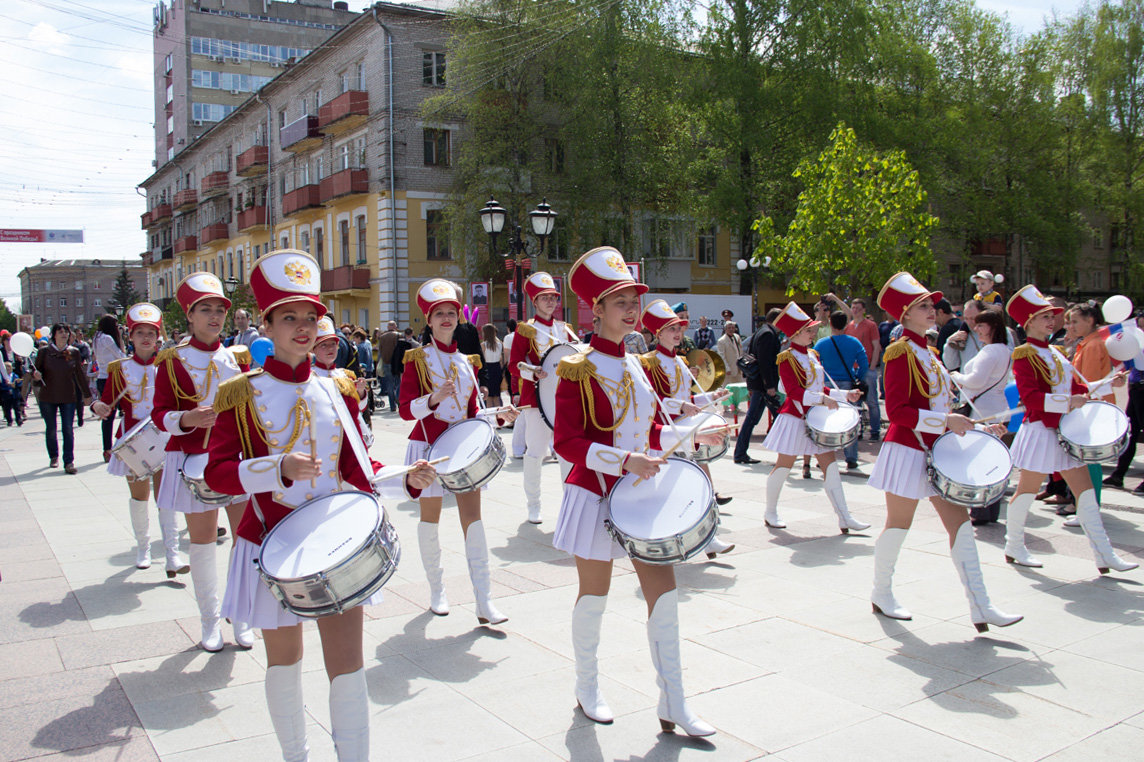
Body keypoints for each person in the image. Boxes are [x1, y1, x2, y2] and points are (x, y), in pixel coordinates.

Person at [204, 250, 436, 762]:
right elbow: (214, 473)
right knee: (284, 664)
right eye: (290, 318)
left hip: (335, 545)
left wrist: (406, 479)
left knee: (348, 665)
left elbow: (358, 470)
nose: (304, 328)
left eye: (311, 317)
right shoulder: (238, 395)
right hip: (271, 543)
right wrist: (274, 468)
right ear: (265, 322)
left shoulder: (338, 388)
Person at [553, 247, 718, 736]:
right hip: (595, 494)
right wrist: (624, 461)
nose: (629, 308)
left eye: (632, 299)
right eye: (618, 300)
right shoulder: (575, 368)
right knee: (595, 597)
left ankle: (675, 703)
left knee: (665, 599)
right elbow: (568, 443)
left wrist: (690, 435)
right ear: (596, 309)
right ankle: (587, 687)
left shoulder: (639, 365)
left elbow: (646, 435)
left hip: (642, 495)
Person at [868, 272, 1022, 632]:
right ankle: (881, 592)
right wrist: (945, 421)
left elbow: (946, 409)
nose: (931, 309)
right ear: (904, 314)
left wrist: (979, 426)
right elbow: (897, 412)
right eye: (922, 306)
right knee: (898, 526)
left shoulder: (930, 352)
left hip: (938, 452)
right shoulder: (900, 351)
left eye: (931, 305)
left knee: (962, 526)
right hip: (907, 450)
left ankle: (981, 606)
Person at [400, 279, 518, 621]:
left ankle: (484, 600)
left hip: (463, 448)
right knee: (430, 520)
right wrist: (433, 398)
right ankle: (437, 591)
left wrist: (499, 415)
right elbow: (406, 408)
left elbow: (472, 413)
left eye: (451, 312)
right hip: (428, 447)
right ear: (429, 320)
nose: (447, 318)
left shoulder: (468, 362)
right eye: (440, 314)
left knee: (475, 522)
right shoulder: (417, 359)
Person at [151, 272, 253, 652]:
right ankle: (210, 621)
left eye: (220, 310)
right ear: (189, 317)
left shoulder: (236, 358)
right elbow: (159, 413)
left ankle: (241, 614)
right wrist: (187, 419)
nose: (214, 317)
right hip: (192, 458)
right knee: (204, 543)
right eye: (205, 310)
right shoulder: (173, 359)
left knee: (245, 540)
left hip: (234, 458)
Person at [1002, 286, 1136, 575]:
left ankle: (1104, 554)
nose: (1052, 321)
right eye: (1043, 317)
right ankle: (1013, 544)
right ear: (1027, 323)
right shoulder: (1024, 354)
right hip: (1040, 430)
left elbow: (1078, 389)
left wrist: (1106, 385)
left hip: (1064, 431)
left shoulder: (1056, 352)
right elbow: (1031, 398)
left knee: (1085, 493)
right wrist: (1067, 401)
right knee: (1025, 491)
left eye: (1052, 316)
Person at [92, 303, 188, 576]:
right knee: (139, 497)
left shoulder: (169, 367)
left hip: (165, 439)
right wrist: (98, 407)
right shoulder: (119, 369)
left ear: (158, 336)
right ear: (130, 336)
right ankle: (143, 548)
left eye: (151, 332)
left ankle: (172, 555)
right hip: (133, 441)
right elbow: (106, 402)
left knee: (166, 497)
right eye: (140, 332)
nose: (146, 337)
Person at [760, 303, 869, 532]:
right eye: (808, 330)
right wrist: (821, 399)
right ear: (795, 334)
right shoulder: (786, 358)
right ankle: (770, 511)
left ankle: (844, 516)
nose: (813, 333)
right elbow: (793, 392)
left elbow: (822, 388)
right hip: (795, 419)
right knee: (783, 466)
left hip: (817, 420)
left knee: (830, 466)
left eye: (812, 329)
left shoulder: (813, 354)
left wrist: (845, 395)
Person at [638, 299, 736, 554]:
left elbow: (689, 399)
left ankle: (707, 537)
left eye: (679, 328)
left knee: (698, 485)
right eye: (672, 329)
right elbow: (654, 401)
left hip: (688, 432)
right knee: (671, 492)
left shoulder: (681, 361)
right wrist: (680, 407)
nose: (678, 333)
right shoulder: (648, 362)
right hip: (667, 435)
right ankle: (666, 540)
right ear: (658, 333)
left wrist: (710, 397)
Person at [509, 273, 580, 524]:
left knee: (567, 453)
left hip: (564, 399)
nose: (550, 302)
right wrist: (533, 372)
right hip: (537, 398)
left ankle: (569, 503)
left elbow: (578, 355)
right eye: (545, 298)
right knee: (536, 451)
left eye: (553, 297)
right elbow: (514, 365)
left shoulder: (565, 329)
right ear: (535, 302)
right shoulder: (526, 329)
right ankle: (533, 505)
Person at [949, 309, 1012, 524]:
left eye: (981, 325)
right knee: (994, 461)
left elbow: (976, 380)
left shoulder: (990, 351)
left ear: (993, 327)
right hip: (998, 407)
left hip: (983, 411)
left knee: (980, 461)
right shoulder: (1004, 349)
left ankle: (979, 509)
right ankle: (989, 509)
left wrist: (956, 376)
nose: (976, 330)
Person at [32, 324, 91, 474]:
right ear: (54, 335)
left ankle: (69, 461)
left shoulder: (74, 352)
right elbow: (36, 373)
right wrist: (36, 376)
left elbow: (79, 374)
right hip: (48, 397)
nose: (64, 334)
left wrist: (87, 394)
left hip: (68, 396)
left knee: (68, 429)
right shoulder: (44, 352)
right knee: (51, 428)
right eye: (60, 331)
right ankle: (53, 456)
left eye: (66, 331)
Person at [814, 311, 868, 470]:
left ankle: (824, 455)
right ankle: (851, 457)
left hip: (827, 385)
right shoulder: (854, 342)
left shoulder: (822, 344)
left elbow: (815, 365)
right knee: (849, 420)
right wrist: (856, 377)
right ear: (846, 324)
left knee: (825, 421)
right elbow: (864, 364)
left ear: (830, 323)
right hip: (847, 384)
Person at [313, 318, 374, 448]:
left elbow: (360, 409)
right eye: (324, 345)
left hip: (348, 435)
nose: (330, 349)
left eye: (333, 344)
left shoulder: (346, 375)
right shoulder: (309, 377)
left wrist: (361, 392)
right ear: (314, 349)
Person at [733, 307, 782, 464]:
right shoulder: (768, 334)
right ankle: (740, 453)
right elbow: (765, 362)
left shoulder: (762, 332)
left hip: (759, 384)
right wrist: (769, 385)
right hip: (763, 385)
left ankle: (740, 452)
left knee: (759, 418)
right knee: (777, 418)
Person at [1106, 313, 1144, 492]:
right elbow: (1130, 365)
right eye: (1140, 327)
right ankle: (1118, 475)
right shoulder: (1134, 344)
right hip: (1135, 389)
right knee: (1129, 432)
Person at [845, 297, 882, 440]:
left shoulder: (871, 325)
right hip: (853, 369)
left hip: (866, 368)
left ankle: (875, 430)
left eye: (858, 308)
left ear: (864, 310)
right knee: (855, 401)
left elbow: (876, 346)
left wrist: (872, 367)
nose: (855, 311)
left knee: (872, 401)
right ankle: (858, 430)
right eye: (853, 308)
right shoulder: (849, 326)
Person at [93, 315, 127, 462]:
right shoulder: (107, 338)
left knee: (108, 416)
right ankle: (114, 447)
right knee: (116, 412)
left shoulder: (97, 337)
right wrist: (120, 339)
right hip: (112, 377)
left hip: (102, 376)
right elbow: (120, 355)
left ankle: (107, 448)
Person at [377, 320, 401, 411]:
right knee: (398, 383)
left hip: (386, 363)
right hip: (397, 363)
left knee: (389, 384)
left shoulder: (382, 337)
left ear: (387, 327)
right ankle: (398, 400)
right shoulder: (398, 335)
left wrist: (380, 362)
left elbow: (380, 351)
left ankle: (392, 406)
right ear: (395, 327)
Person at [352, 329, 375, 426]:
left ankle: (368, 407)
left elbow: (360, 360)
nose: (354, 340)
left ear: (358, 337)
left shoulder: (360, 347)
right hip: (370, 368)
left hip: (364, 369)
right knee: (369, 389)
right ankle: (371, 406)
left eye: (354, 337)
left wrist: (362, 369)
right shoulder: (368, 343)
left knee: (365, 390)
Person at [479, 323, 503, 406]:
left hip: (487, 369)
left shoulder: (483, 345)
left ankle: (489, 417)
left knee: (488, 396)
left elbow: (481, 360)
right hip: (497, 368)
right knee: (497, 395)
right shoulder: (500, 344)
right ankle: (499, 416)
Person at [716, 320, 744, 386]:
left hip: (738, 369)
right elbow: (721, 356)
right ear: (725, 329)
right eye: (729, 328)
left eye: (732, 328)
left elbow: (740, 351)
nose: (731, 329)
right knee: (728, 389)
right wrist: (727, 368)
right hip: (729, 370)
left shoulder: (737, 337)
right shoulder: (721, 341)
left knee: (740, 388)